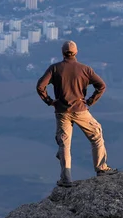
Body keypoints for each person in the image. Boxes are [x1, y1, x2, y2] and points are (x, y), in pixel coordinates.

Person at [36, 40, 117, 187]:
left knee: (64, 144)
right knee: (96, 135)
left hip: (61, 111)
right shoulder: (85, 69)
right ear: (76, 52)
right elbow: (101, 85)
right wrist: (91, 101)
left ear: (62, 52)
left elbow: (40, 86)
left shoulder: (54, 69)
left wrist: (50, 101)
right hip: (80, 109)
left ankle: (66, 179)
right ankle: (101, 168)